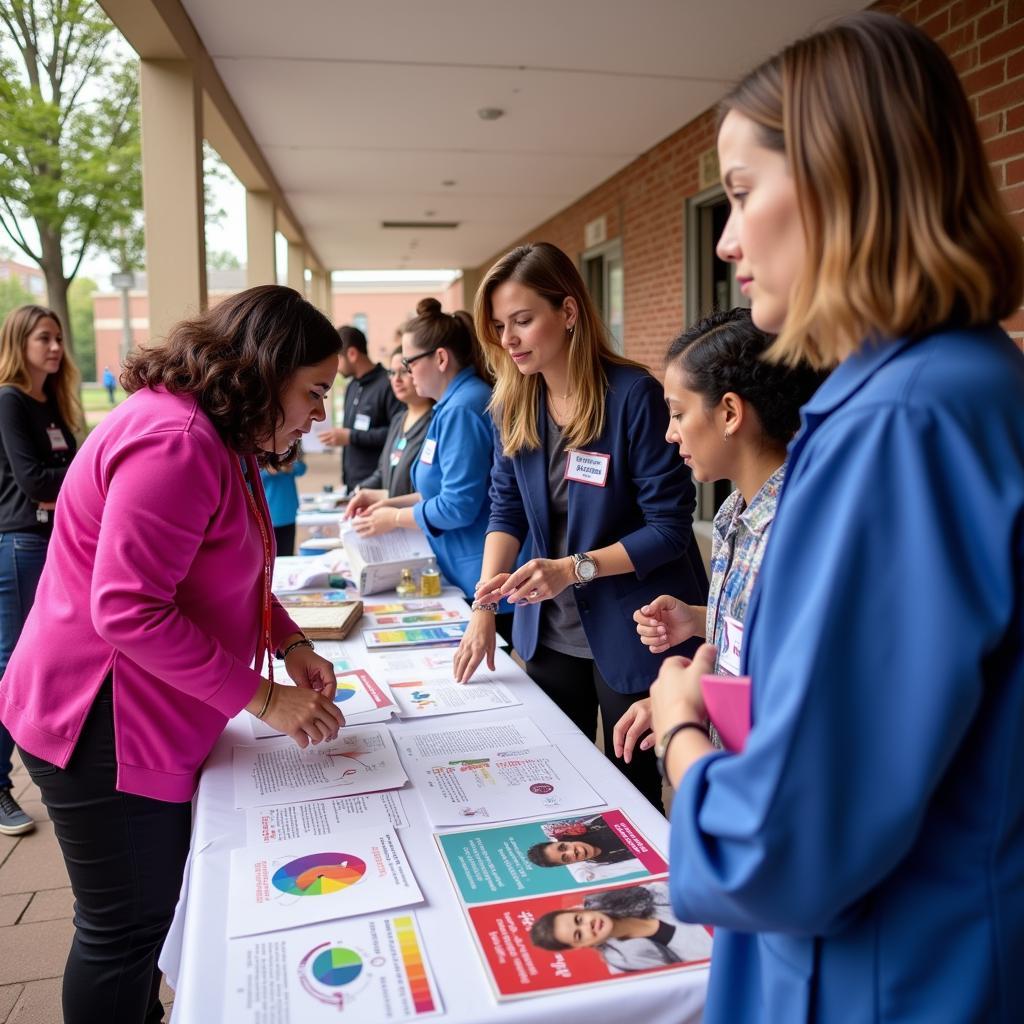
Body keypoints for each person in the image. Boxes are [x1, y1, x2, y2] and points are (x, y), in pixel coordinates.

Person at [650, 14, 1024, 1022]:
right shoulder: (939, 388)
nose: (724, 241)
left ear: (840, 175)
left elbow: (782, 848)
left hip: (883, 975)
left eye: (738, 194)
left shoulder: (904, 420)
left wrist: (683, 732)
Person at [0, 285, 347, 1024]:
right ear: (266, 371)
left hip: (137, 708)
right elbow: (127, 608)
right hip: (97, 721)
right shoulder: (178, 441)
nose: (319, 414)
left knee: (141, 917)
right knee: (124, 931)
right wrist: (264, 697)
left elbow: (235, 562)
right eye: (314, 392)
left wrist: (289, 641)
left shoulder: (224, 433)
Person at [453, 241, 708, 809]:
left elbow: (669, 526)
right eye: (498, 326)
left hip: (635, 627)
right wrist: (484, 608)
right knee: (552, 783)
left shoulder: (633, 396)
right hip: (548, 632)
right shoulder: (511, 403)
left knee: (633, 792)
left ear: (568, 313)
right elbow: (505, 509)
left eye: (522, 320)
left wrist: (574, 569)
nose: (509, 339)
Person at [611, 307, 824, 763]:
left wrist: (682, 719)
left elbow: (790, 697)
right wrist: (699, 617)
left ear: (729, 412)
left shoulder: (801, 534)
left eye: (678, 414)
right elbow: (763, 642)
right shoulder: (733, 510)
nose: (669, 434)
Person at [346, 299, 513, 632]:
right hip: (465, 572)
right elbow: (436, 491)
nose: (405, 373)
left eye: (409, 363)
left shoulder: (462, 409)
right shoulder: (451, 406)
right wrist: (387, 502)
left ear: (440, 358)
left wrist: (392, 518)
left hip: (480, 576)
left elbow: (457, 506)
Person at [0, 305, 82, 836]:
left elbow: (67, 475)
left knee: (41, 662)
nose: (54, 348)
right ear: (19, 343)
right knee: (10, 667)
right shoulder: (8, 400)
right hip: (18, 545)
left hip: (50, 543)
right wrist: (76, 473)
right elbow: (36, 481)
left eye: (57, 338)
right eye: (43, 338)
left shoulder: (49, 403)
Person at [530, 881, 712, 972]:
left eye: (579, 920)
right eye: (579, 935)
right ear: (579, 946)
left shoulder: (637, 896)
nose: (588, 926)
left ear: (580, 911)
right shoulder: (624, 960)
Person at [318, 324, 402, 493]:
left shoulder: (389, 384)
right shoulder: (352, 386)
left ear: (352, 354)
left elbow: (398, 434)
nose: (336, 366)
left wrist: (351, 437)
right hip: (352, 485)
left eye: (338, 358)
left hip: (378, 484)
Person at [351, 347, 434, 497]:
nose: (396, 379)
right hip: (394, 516)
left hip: (416, 515)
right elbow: (383, 471)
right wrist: (359, 491)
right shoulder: (398, 420)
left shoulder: (436, 421)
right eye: (391, 373)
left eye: (403, 371)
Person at [528, 813, 636, 868]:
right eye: (566, 858)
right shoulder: (603, 863)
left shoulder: (597, 824)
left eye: (563, 847)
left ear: (564, 841)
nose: (572, 852)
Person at [260, 443, 308, 556]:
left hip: (289, 513)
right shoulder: (261, 444)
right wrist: (268, 471)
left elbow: (302, 467)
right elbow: (251, 473)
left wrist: (290, 468)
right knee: (270, 554)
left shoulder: (292, 441)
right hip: (270, 513)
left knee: (287, 552)